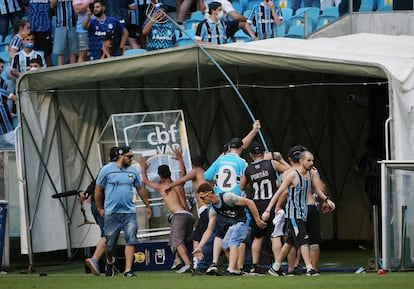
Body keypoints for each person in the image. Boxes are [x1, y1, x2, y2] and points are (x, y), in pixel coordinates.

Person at [262, 149, 335, 276]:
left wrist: (326, 199)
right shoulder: (292, 175)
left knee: (290, 241)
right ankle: (309, 268)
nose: (312, 163)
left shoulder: (311, 174)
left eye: (312, 160)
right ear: (301, 161)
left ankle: (275, 267)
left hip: (304, 212)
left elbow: (315, 188)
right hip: (294, 214)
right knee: (304, 240)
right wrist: (268, 210)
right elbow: (279, 193)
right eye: (309, 160)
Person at [95, 145, 152, 277]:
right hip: (112, 212)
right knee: (110, 245)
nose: (131, 159)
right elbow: (98, 189)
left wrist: (147, 205)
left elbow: (140, 188)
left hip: (129, 212)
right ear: (121, 155)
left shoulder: (132, 171)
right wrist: (99, 208)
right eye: (129, 156)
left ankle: (128, 270)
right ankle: (110, 262)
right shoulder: (106, 170)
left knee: (131, 239)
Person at [139, 148, 195, 274]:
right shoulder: (177, 184)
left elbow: (146, 181)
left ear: (160, 176)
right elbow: (184, 173)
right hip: (189, 215)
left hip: (179, 215)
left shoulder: (163, 187)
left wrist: (143, 168)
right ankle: (177, 260)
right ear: (170, 173)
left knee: (177, 241)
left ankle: (188, 264)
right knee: (176, 238)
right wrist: (180, 159)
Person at [192, 182, 266, 276]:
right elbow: (209, 230)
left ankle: (231, 269)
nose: (202, 201)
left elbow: (249, 202)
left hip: (245, 220)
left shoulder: (227, 198)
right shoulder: (213, 209)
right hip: (235, 224)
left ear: (209, 193)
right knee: (225, 244)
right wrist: (199, 247)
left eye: (202, 198)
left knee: (233, 242)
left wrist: (258, 220)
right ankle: (236, 269)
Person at [239, 141, 290, 275]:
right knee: (275, 236)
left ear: (250, 155)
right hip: (271, 204)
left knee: (257, 237)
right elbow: (290, 171)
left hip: (256, 206)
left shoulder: (248, 169)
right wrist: (279, 159)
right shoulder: (272, 164)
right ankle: (276, 267)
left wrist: (254, 182)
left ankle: (254, 266)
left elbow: (242, 186)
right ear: (264, 153)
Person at [81, 147, 119, 276]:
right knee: (107, 236)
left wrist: (86, 194)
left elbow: (94, 183)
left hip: (98, 205)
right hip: (103, 206)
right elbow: (96, 185)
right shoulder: (112, 170)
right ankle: (95, 259)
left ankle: (111, 266)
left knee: (110, 236)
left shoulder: (105, 169)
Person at [23, 0, 53, 67]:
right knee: (32, 52)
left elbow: (52, 6)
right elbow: (26, 6)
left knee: (47, 53)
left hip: (45, 27)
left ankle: (49, 70)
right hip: (32, 27)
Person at [50, 0, 79, 65]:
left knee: (74, 51)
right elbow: (51, 5)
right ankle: (60, 70)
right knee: (60, 51)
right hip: (60, 24)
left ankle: (72, 70)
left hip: (73, 24)